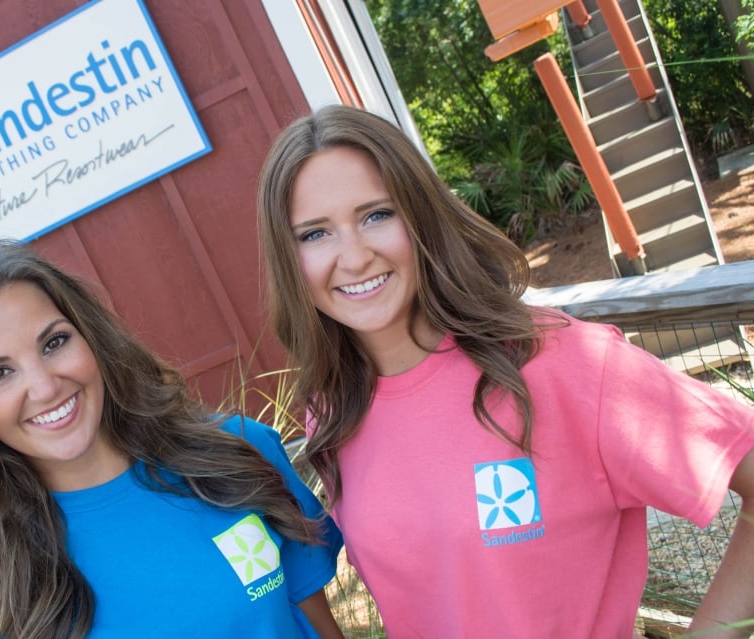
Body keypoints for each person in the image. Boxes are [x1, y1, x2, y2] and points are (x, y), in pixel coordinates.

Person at [256, 104, 754, 638]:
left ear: (420, 215)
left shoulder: (562, 362)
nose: (352, 258)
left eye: (377, 214)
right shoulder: (332, 410)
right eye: (314, 233)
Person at [0, 240, 344, 639]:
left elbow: (318, 627)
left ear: (91, 338)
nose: (44, 387)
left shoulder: (236, 455)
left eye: (54, 342)